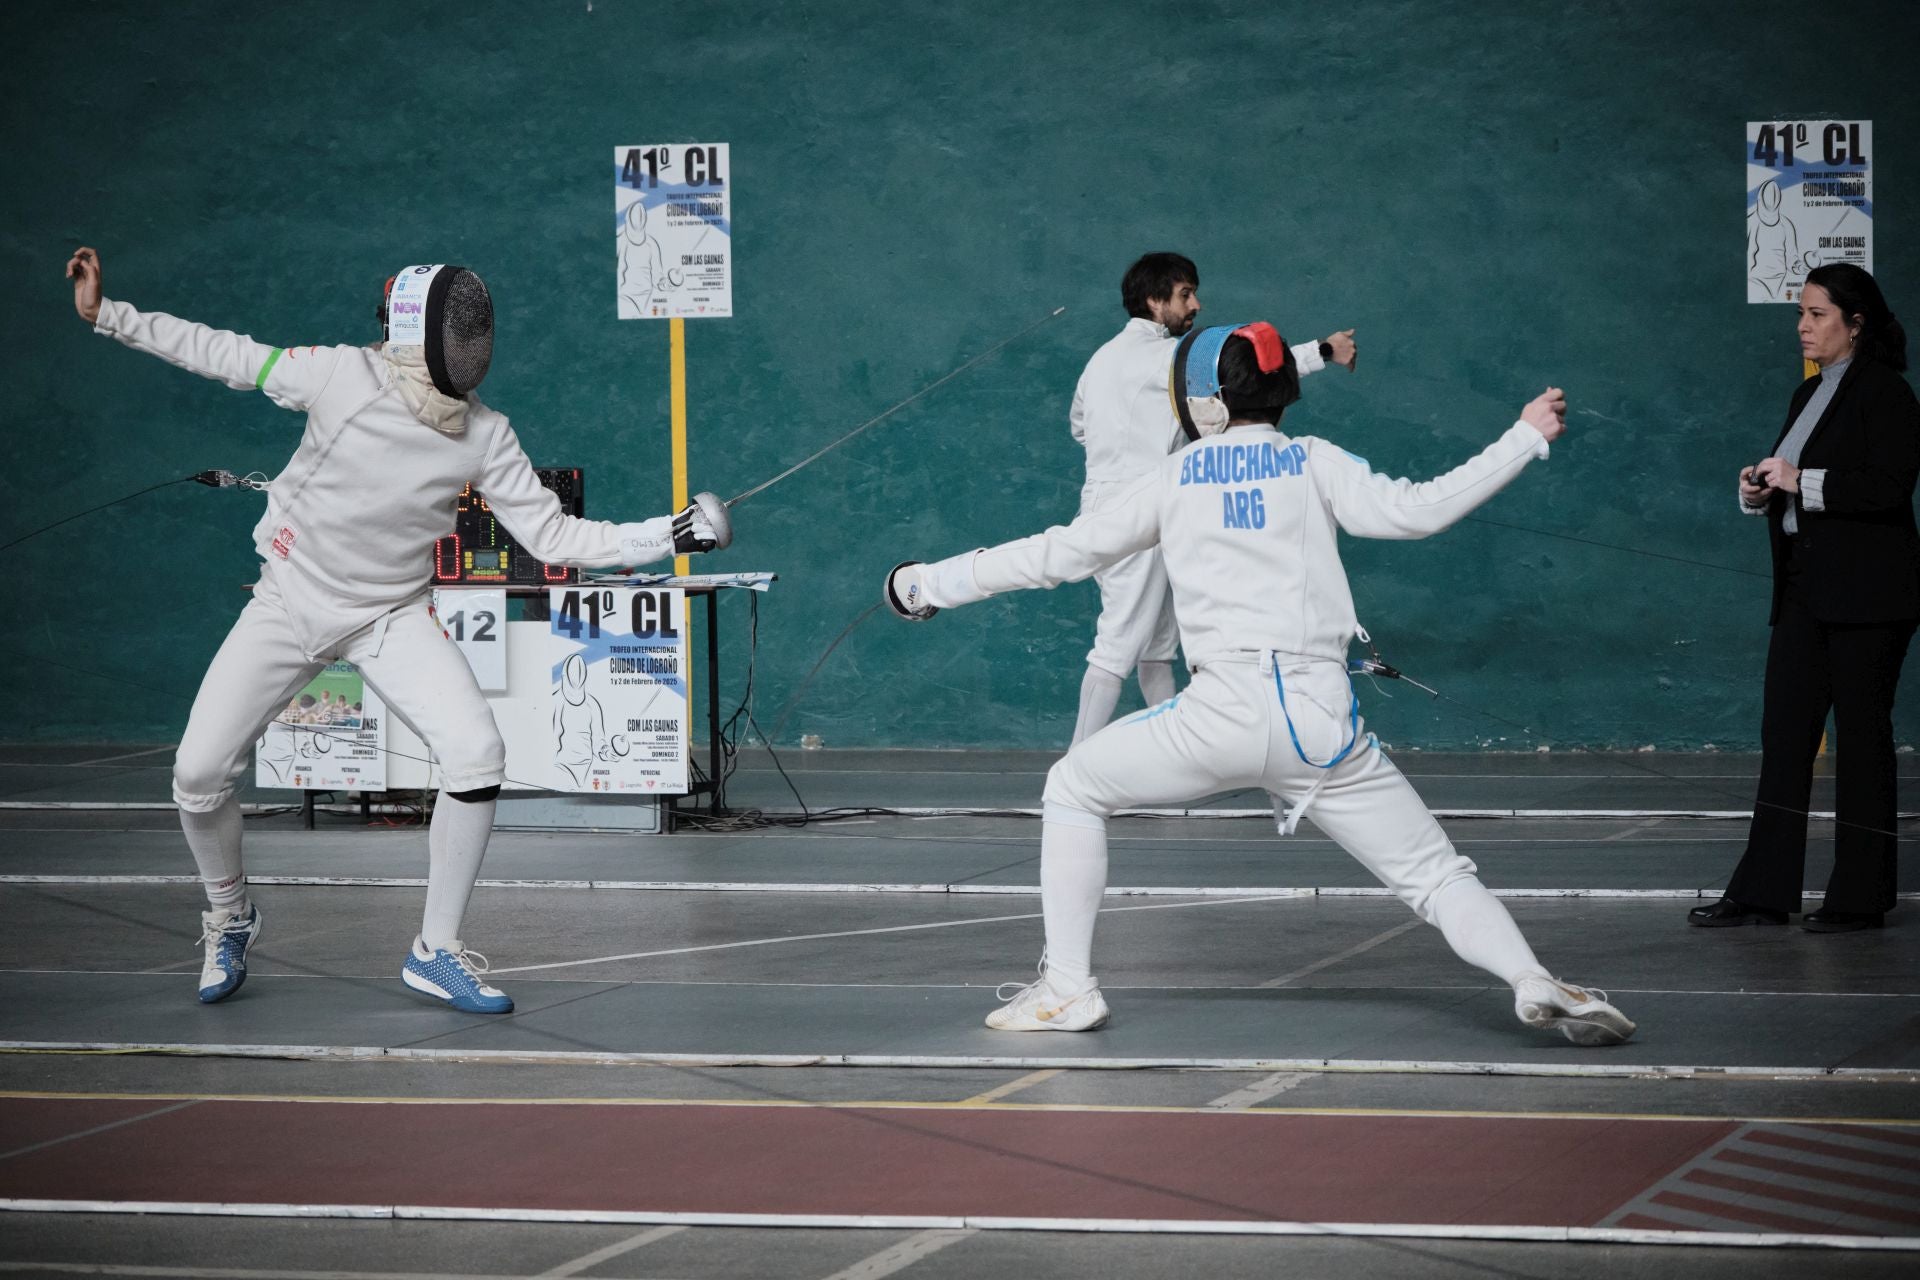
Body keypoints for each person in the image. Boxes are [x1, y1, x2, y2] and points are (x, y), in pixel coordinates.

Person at [885, 323, 1633, 1045]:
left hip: (1216, 717)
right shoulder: (1312, 460)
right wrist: (1525, 436)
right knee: (1436, 875)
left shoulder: (1174, 475)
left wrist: (931, 583)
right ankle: (1531, 978)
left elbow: (1062, 553)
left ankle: (1067, 990)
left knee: (1073, 788)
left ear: (1204, 402)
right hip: (1321, 727)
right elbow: (1417, 510)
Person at [66, 246, 731, 1012]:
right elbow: (226, 354)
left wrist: (668, 534)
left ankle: (435, 950)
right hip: (287, 601)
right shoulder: (341, 375)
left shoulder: (484, 433)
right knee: (195, 776)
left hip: (389, 614)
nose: (473, 349)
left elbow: (554, 540)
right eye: (459, 332)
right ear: (421, 334)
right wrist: (106, 315)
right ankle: (229, 915)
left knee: (477, 753)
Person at [1692, 265, 1918, 933]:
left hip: (1869, 599)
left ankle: (1859, 898)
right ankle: (1763, 892)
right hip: (1806, 592)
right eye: (1801, 313)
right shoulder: (1810, 395)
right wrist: (1759, 489)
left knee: (1862, 743)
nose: (1803, 326)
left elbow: (1887, 487)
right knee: (1784, 739)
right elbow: (1796, 482)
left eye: (1817, 314)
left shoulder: (1888, 395)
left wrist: (1800, 478)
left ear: (1856, 323)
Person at [1068, 253, 1356, 744]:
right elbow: (1243, 368)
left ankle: (1180, 756)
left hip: (1130, 501)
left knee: (1156, 649)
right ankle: (1070, 770)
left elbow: (1080, 427)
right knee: (1116, 644)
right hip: (1133, 508)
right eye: (1184, 295)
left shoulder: (1099, 363)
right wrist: (1324, 351)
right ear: (1154, 301)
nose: (1195, 304)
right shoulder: (1167, 358)